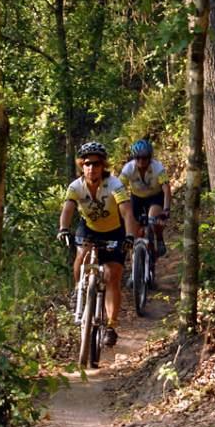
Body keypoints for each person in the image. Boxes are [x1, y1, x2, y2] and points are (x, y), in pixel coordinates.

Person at [57, 142, 138, 347]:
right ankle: (79, 290)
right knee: (81, 255)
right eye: (87, 164)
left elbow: (127, 211)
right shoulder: (75, 186)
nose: (91, 168)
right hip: (89, 229)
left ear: (103, 166)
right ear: (81, 166)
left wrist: (129, 236)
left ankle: (110, 326)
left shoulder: (115, 185)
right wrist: (63, 228)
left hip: (115, 231)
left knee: (112, 276)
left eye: (95, 164)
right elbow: (68, 209)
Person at [119, 139, 171, 257]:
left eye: (145, 158)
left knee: (153, 219)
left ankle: (158, 238)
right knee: (134, 233)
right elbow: (118, 187)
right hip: (136, 198)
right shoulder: (128, 168)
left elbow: (166, 189)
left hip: (155, 197)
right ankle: (135, 269)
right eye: (138, 158)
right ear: (134, 157)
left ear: (150, 157)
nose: (141, 161)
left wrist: (166, 209)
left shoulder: (157, 168)